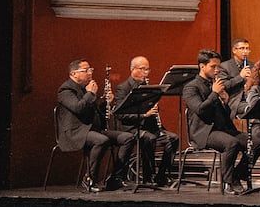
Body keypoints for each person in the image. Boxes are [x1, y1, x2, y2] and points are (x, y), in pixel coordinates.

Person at [57, 59, 134, 191]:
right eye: (85, 70)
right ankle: (89, 179)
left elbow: (94, 111)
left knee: (128, 137)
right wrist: (91, 93)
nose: (90, 73)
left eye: (90, 69)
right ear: (74, 74)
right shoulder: (65, 90)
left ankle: (115, 177)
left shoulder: (86, 88)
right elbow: (78, 108)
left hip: (92, 129)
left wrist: (105, 102)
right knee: (101, 140)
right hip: (75, 132)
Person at [182, 48, 250, 194]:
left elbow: (222, 113)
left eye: (218, 66)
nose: (217, 70)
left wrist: (225, 102)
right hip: (204, 131)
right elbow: (200, 110)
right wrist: (214, 94)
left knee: (254, 141)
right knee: (231, 143)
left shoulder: (215, 83)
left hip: (222, 128)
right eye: (213, 66)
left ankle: (237, 174)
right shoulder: (191, 87)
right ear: (202, 66)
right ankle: (230, 182)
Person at [113, 55, 179, 187]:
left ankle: (161, 176)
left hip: (149, 128)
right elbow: (120, 114)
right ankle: (148, 178)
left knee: (173, 138)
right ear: (132, 69)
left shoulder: (147, 87)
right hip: (131, 129)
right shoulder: (123, 88)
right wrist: (144, 115)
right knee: (149, 138)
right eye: (143, 69)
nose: (146, 73)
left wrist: (154, 109)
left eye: (148, 69)